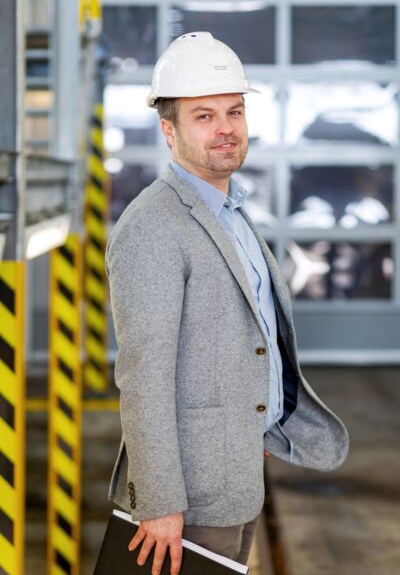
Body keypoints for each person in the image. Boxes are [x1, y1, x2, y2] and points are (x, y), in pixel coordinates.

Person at [106, 32, 349, 575]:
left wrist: (258, 420)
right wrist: (160, 502)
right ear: (169, 131)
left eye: (234, 111)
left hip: (234, 471)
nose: (226, 128)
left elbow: (249, 338)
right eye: (204, 116)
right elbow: (144, 377)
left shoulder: (232, 213)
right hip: (187, 496)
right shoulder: (153, 227)